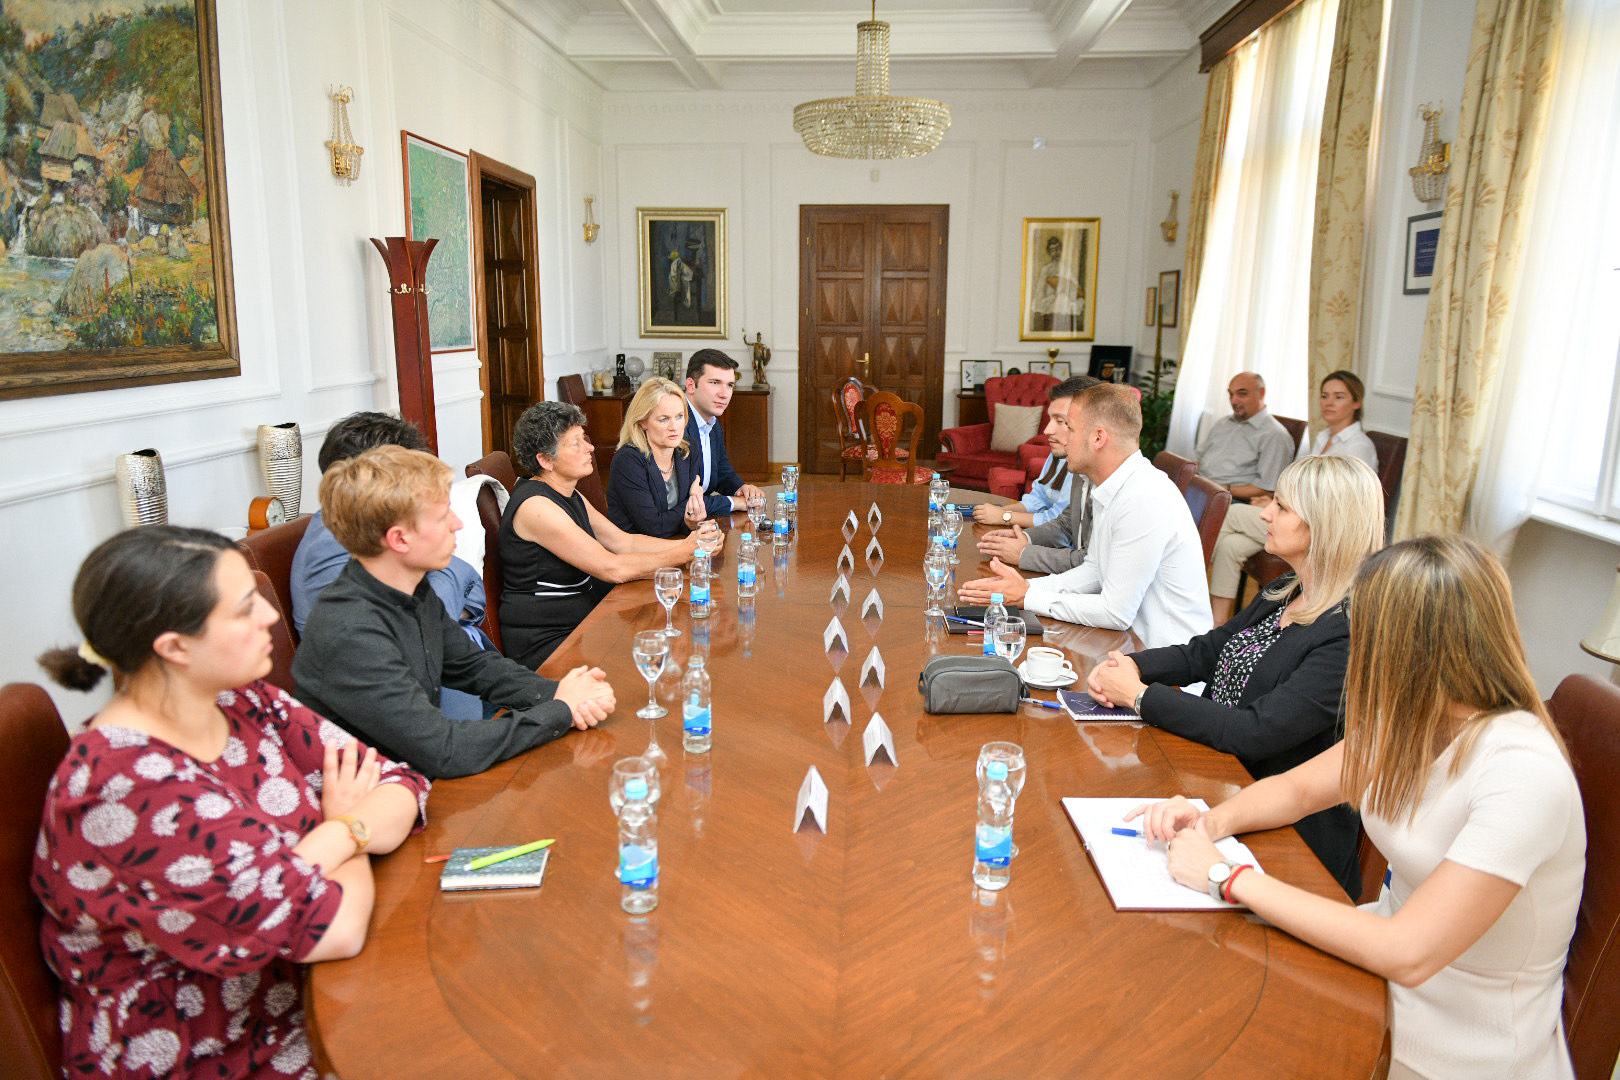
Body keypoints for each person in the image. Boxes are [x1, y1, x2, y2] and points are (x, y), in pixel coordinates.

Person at [1129, 535, 1585, 1079]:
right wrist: (1209, 821)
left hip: (1457, 1044)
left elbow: (1408, 951)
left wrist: (1226, 877)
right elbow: (1298, 791)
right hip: (1371, 977)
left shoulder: (1523, 772)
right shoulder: (1419, 717)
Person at [34, 526, 429, 1079]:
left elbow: (398, 782)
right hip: (218, 1051)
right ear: (175, 647)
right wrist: (345, 825)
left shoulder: (239, 697)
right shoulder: (123, 786)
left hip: (308, 996)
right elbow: (334, 929)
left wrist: (323, 846)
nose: (270, 616)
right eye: (245, 609)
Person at [1087, 455, 1385, 896]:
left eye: (1282, 507)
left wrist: (1139, 696)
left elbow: (1255, 732)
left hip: (1285, 837)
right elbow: (1208, 651)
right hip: (1216, 778)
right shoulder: (1287, 589)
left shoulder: (1348, 631)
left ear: (1323, 526)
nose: (1265, 513)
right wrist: (1134, 666)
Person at [294, 445, 615, 779]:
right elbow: (445, 750)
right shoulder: (351, 631)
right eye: (442, 515)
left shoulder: (410, 589)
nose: (458, 524)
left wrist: (563, 694)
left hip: (410, 779)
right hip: (368, 797)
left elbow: (474, 666)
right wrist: (560, 710)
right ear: (399, 539)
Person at [960, 383, 1211, 649]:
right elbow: (1094, 571)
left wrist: (1027, 597)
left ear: (1098, 438)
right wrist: (1025, 588)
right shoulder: (1114, 486)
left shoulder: (1141, 498)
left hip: (1163, 657)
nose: (1062, 438)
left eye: (1069, 428)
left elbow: (1115, 613)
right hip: (1127, 644)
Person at [290, 410, 493, 720]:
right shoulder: (333, 547)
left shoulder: (393, 530)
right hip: (422, 710)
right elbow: (408, 637)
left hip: (464, 675)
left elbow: (469, 580)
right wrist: (445, 607)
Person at [500, 400, 698, 668]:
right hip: (548, 642)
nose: (590, 448)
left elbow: (624, 542)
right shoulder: (537, 507)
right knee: (655, 655)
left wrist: (691, 545)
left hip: (583, 622)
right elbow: (611, 568)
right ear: (545, 460)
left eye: (585, 438)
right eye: (576, 443)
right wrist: (682, 553)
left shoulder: (568, 493)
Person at [1209, 371, 1381, 622]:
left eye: (1339, 397)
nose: (1329, 402)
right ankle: (1218, 623)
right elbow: (1302, 487)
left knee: (1233, 513)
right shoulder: (1323, 437)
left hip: (1323, 529)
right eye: (1324, 396)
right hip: (1301, 517)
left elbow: (1337, 505)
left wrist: (1282, 505)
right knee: (1230, 546)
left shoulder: (1358, 446)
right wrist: (1276, 502)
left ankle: (1184, 584)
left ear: (1357, 403)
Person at [976, 374, 1101, 573]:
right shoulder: (1075, 464)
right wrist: (1025, 537)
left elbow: (1090, 564)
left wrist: (1006, 519)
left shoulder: (1129, 491)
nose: (1047, 430)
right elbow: (1064, 523)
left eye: (1061, 421)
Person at [607, 376, 709, 539]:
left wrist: (691, 519)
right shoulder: (627, 460)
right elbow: (654, 528)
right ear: (642, 421)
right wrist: (690, 505)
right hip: (635, 549)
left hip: (675, 542)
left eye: (679, 416)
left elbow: (689, 521)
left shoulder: (688, 450)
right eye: (663, 419)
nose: (674, 427)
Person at [683, 349, 766, 517]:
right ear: (691, 385)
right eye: (715, 383)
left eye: (730, 385)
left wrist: (741, 489)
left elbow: (721, 472)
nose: (724, 394)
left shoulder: (712, 424)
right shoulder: (676, 425)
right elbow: (683, 501)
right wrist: (734, 502)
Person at [1193, 372, 1296, 504]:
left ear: (1261, 393)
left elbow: (1267, 489)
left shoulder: (1275, 435)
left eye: (1242, 394)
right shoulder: (1223, 423)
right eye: (1231, 394)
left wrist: (1222, 488)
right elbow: (1198, 459)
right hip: (1199, 486)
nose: (1234, 401)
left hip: (1229, 498)